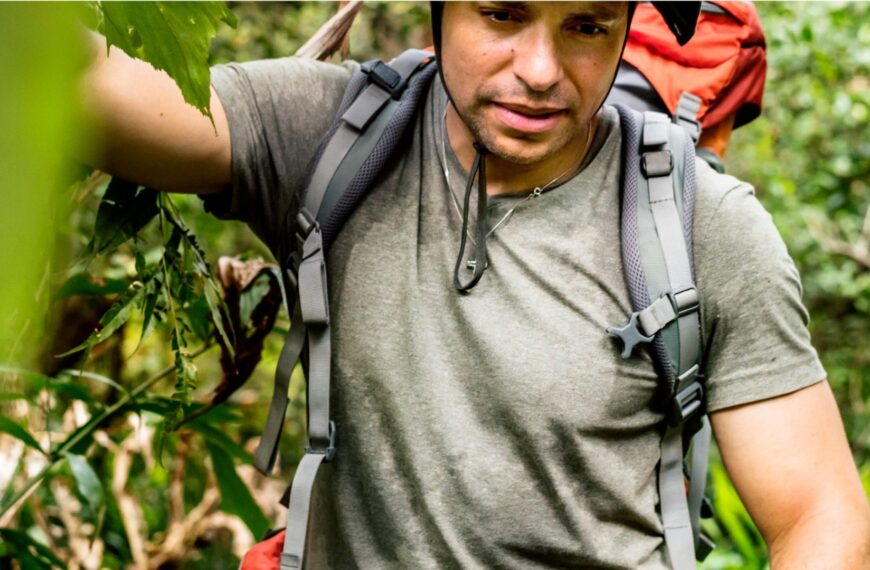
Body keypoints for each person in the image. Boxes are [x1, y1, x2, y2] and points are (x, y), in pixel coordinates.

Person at [78, 2, 870, 568]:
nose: (540, 70)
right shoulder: (329, 135)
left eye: (588, 26)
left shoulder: (702, 224)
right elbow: (93, 92)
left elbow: (821, 517)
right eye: (501, 15)